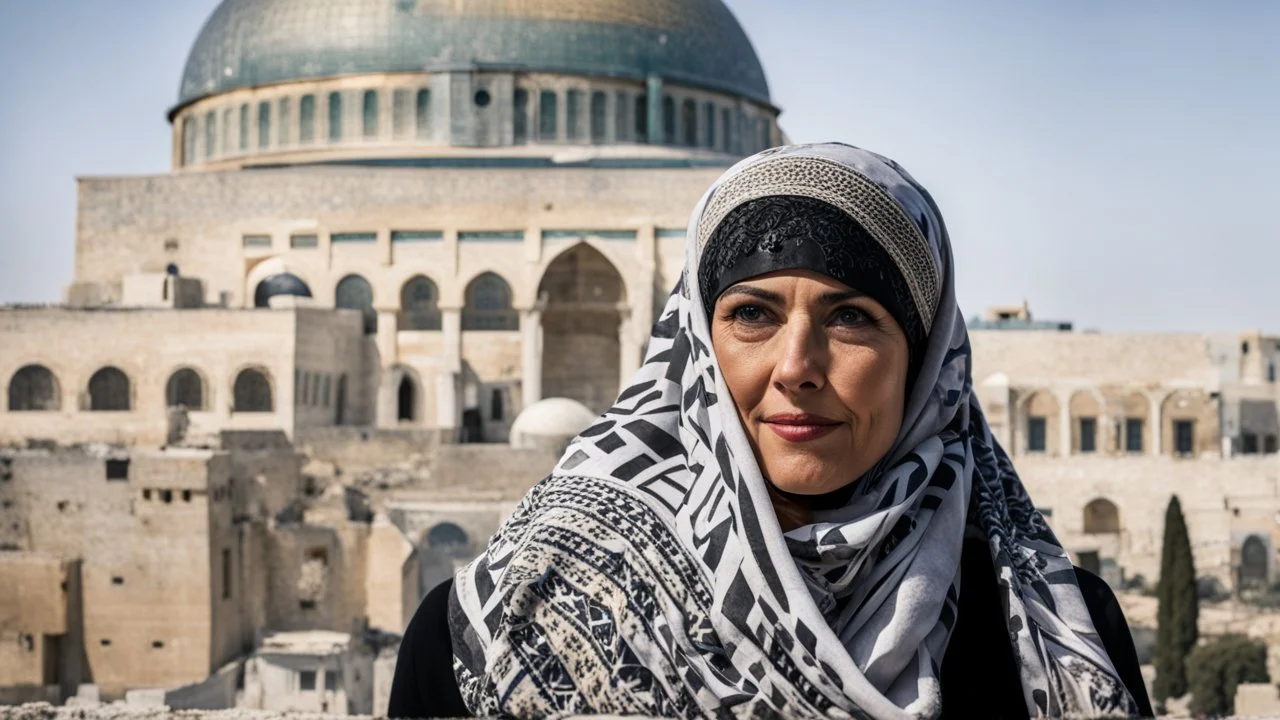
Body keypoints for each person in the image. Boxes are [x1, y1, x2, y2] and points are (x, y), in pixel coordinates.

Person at [389, 143, 1153, 719]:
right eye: (752, 314)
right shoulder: (502, 625)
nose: (797, 366)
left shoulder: (1042, 635)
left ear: (925, 361)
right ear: (696, 345)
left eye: (852, 317)